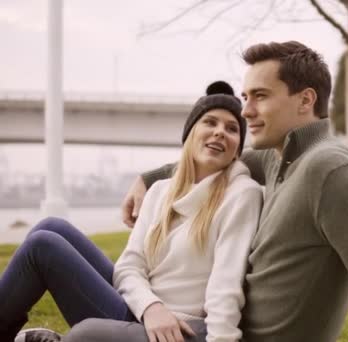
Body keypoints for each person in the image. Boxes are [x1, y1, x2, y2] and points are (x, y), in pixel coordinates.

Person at [118, 40, 348, 341]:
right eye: (245, 97)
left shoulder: (335, 173)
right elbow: (209, 159)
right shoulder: (275, 157)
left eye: (260, 96)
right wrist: (146, 179)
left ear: (305, 101)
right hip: (219, 330)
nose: (246, 112)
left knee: (86, 334)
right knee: (71, 244)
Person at [0, 81, 263, 342]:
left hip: (177, 328)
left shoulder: (241, 194)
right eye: (210, 122)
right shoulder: (161, 190)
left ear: (237, 149)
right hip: (145, 310)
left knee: (42, 246)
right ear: (191, 132)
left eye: (232, 129)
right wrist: (150, 306)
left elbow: (225, 287)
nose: (220, 132)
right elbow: (129, 266)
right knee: (52, 227)